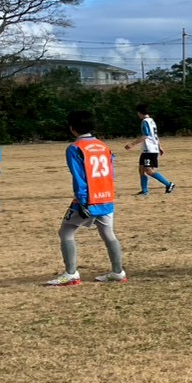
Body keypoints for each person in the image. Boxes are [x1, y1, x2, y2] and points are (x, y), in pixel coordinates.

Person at [46, 110, 127, 285]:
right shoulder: (104, 146)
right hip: (106, 196)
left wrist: (82, 201)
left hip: (88, 199)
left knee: (66, 232)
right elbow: (111, 173)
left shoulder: (75, 148)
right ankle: (118, 272)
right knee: (108, 233)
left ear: (72, 128)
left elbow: (79, 177)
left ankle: (71, 274)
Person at [122, 103, 175, 196]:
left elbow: (145, 136)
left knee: (148, 171)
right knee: (141, 169)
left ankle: (168, 184)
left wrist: (132, 144)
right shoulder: (151, 121)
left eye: (137, 112)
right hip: (148, 150)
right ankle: (144, 191)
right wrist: (159, 146)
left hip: (150, 150)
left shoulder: (145, 122)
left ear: (140, 112)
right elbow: (155, 135)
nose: (137, 114)